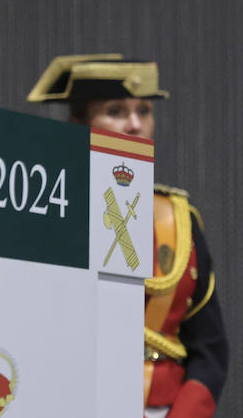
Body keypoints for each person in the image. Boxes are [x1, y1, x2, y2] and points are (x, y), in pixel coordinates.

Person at [27, 54, 227, 417]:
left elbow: (210, 349)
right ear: (78, 123)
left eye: (144, 111)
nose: (135, 124)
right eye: (116, 111)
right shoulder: (46, 212)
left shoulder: (178, 219)